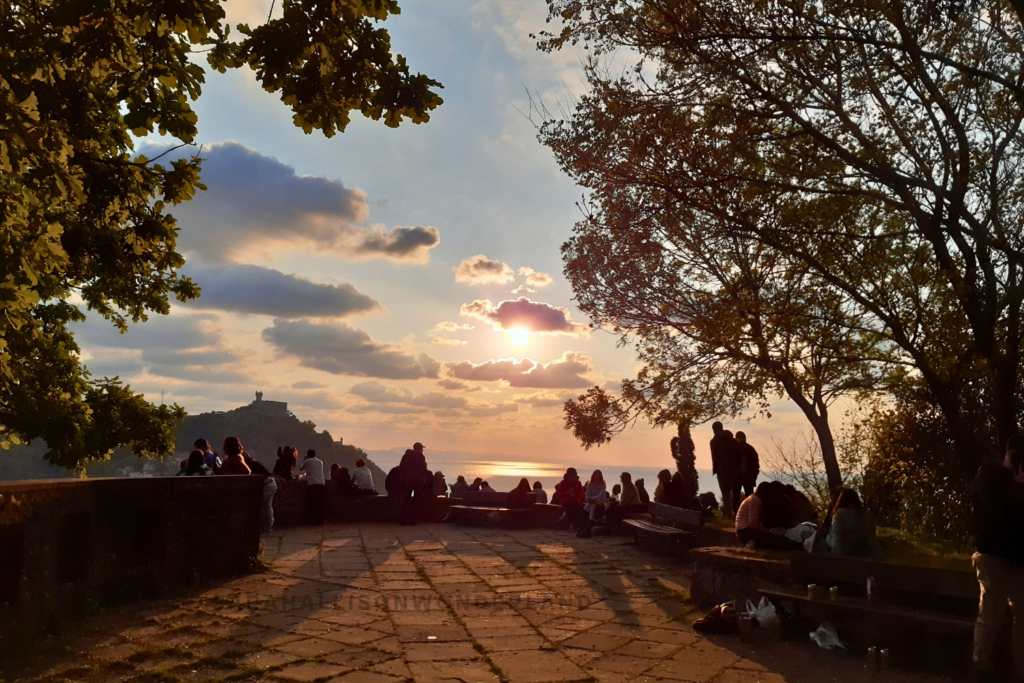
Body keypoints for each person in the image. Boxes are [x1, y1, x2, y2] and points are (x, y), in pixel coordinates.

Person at [971, 433, 1024, 680]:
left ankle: (990, 665)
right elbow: (1002, 514)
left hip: (1012, 557)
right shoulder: (991, 477)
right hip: (996, 556)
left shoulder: (991, 478)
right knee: (993, 614)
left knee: (1009, 616)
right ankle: (982, 665)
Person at [735, 482, 803, 551]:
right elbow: (753, 522)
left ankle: (797, 545)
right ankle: (799, 546)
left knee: (774, 539)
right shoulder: (755, 500)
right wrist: (766, 532)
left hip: (746, 531)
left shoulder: (753, 499)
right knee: (773, 540)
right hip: (746, 531)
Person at [710, 423, 743, 517]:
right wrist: (737, 466)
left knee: (725, 493)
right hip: (734, 470)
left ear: (714, 429)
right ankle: (737, 513)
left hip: (722, 471)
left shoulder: (714, 441)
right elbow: (740, 453)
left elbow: (715, 457)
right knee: (735, 492)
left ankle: (728, 514)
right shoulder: (732, 440)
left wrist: (718, 468)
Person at [243, 451, 277, 533]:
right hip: (272, 482)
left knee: (256, 504)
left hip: (266, 484)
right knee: (267, 505)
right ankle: (268, 526)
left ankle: (257, 525)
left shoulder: (249, 464)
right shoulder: (254, 462)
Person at [397, 442, 431, 525]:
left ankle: (403, 520)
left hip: (407, 480)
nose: (422, 450)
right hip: (417, 481)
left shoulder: (406, 456)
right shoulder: (421, 456)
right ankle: (413, 520)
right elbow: (423, 469)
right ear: (419, 448)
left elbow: (401, 467)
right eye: (421, 448)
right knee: (416, 501)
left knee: (406, 500)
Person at [299, 449, 327, 524]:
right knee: (321, 503)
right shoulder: (320, 461)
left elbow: (300, 468)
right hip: (321, 483)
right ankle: (321, 520)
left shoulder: (307, 461)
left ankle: (313, 520)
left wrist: (304, 460)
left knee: (313, 503)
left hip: (313, 484)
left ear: (308, 455)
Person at [735, 431, 760, 502]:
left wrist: (753, 476)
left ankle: (738, 511)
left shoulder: (749, 449)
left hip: (747, 477)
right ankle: (737, 511)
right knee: (738, 496)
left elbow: (755, 464)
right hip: (740, 477)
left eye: (739, 438)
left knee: (748, 496)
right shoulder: (749, 448)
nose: (738, 439)